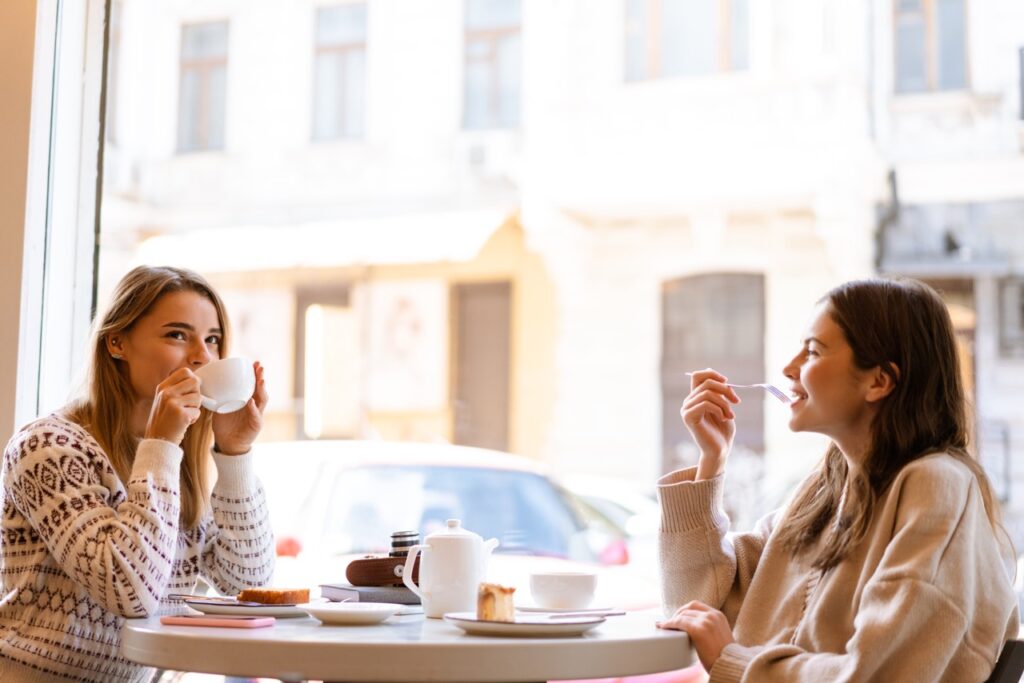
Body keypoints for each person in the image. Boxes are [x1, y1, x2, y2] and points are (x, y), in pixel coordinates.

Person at [656, 278, 1019, 681]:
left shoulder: (935, 486)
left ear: (879, 381)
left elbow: (872, 675)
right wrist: (713, 461)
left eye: (812, 351)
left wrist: (733, 661)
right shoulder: (825, 490)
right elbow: (693, 606)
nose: (788, 368)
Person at [0, 266, 276, 682]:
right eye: (177, 335)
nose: (202, 355)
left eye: (213, 339)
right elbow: (127, 590)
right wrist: (162, 445)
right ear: (117, 343)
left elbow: (247, 583)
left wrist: (235, 453)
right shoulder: (47, 446)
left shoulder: (173, 460)